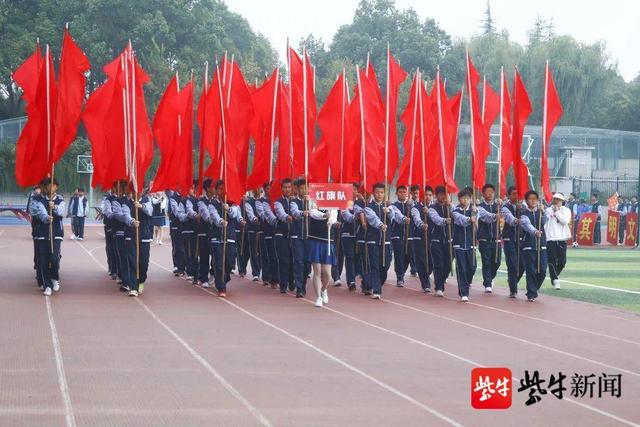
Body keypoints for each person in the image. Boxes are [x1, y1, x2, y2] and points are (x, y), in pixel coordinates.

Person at [451, 188, 494, 302]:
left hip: (471, 243)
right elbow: (461, 220)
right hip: (459, 244)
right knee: (461, 268)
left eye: (468, 198)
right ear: (459, 199)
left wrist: (476, 213)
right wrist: (470, 218)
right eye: (463, 198)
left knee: (472, 267)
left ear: (471, 199)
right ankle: (463, 293)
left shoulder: (475, 210)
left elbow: (482, 217)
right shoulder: (455, 211)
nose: (465, 200)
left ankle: (467, 282)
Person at [363, 182, 404, 300]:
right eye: (377, 192)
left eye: (381, 192)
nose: (379, 195)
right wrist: (381, 225)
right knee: (375, 265)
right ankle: (377, 290)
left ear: (384, 194)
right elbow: (372, 219)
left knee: (385, 266)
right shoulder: (368, 207)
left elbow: (395, 217)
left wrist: (389, 211)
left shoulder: (388, 206)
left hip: (386, 241)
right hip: (373, 240)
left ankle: (371, 284)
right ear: (373, 193)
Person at [207, 179, 245, 297]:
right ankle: (221, 287)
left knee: (229, 263)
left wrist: (227, 209)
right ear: (216, 190)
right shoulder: (212, 204)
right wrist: (221, 221)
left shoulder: (232, 203)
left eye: (224, 189)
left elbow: (234, 213)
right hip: (217, 237)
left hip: (230, 236)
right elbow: (214, 216)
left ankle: (225, 277)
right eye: (220, 189)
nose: (222, 191)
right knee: (219, 263)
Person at [29, 178, 65, 296]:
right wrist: (46, 218)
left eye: (52, 185)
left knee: (55, 258)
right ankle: (47, 285)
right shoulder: (38, 199)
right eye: (47, 185)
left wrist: (54, 207)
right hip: (42, 234)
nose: (50, 188)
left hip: (56, 234)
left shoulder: (60, 199)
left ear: (56, 187)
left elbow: (61, 211)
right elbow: (38, 211)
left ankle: (55, 277)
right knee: (43, 261)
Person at [121, 186, 153, 297]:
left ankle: (141, 281)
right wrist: (132, 221)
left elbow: (150, 211)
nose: (137, 192)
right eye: (134, 189)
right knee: (132, 262)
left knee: (144, 263)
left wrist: (141, 206)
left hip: (144, 236)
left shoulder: (147, 200)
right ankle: (133, 287)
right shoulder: (126, 203)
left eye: (139, 189)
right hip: (131, 236)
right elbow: (126, 215)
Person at [306, 200, 338, 307]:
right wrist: (324, 215)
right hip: (315, 238)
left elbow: (334, 215)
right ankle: (318, 296)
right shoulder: (313, 199)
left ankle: (324, 289)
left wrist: (331, 220)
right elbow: (313, 213)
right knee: (317, 271)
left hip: (328, 240)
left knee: (327, 273)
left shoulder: (333, 199)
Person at [519, 190, 548, 302]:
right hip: (529, 246)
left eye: (535, 199)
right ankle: (531, 293)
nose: (533, 201)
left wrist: (543, 212)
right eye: (530, 199)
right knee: (530, 270)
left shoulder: (540, 213)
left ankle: (534, 289)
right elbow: (527, 226)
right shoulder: (524, 214)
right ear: (526, 201)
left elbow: (545, 221)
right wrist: (535, 232)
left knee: (543, 269)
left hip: (542, 245)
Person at [427, 186, 453, 297]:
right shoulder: (432, 208)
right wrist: (445, 220)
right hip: (436, 239)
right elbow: (436, 220)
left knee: (447, 265)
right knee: (438, 264)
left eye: (445, 194)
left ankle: (441, 282)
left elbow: (457, 216)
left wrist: (450, 207)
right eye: (441, 194)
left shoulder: (451, 207)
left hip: (449, 240)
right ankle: (439, 287)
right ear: (436, 195)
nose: (443, 196)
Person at [500, 186, 525, 298]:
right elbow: (510, 220)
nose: (516, 196)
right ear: (509, 195)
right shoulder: (505, 207)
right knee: (512, 264)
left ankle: (512, 281)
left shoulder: (524, 207)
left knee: (522, 265)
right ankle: (513, 290)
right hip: (509, 239)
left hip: (520, 239)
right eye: (514, 193)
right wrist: (517, 216)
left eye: (517, 193)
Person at [544, 192, 571, 290]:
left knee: (562, 262)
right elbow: (546, 220)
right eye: (554, 199)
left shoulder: (566, 210)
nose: (556, 201)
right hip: (550, 238)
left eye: (558, 200)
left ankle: (554, 275)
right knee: (551, 260)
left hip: (562, 238)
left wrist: (557, 212)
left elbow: (565, 221)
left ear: (562, 201)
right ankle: (555, 280)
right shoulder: (548, 210)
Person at [410, 186, 434, 292]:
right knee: (421, 260)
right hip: (419, 237)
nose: (428, 197)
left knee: (431, 261)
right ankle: (425, 284)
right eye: (425, 195)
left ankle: (427, 273)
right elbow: (416, 218)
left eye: (429, 195)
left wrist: (428, 212)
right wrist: (422, 225)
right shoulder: (415, 208)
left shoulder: (434, 208)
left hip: (432, 238)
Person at [477, 184, 501, 293]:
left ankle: (489, 278)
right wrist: (495, 215)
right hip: (484, 238)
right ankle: (487, 283)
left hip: (496, 239)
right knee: (486, 262)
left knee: (496, 262)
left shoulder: (499, 206)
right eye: (488, 191)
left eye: (492, 191)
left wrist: (501, 206)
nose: (490, 193)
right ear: (483, 193)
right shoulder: (480, 207)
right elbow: (486, 217)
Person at [336, 183, 360, 292]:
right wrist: (356, 216)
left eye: (355, 190)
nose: (353, 192)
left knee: (357, 257)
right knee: (349, 257)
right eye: (351, 190)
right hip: (347, 235)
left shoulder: (361, 203)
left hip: (359, 235)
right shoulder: (344, 204)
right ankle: (351, 281)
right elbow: (347, 217)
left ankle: (356, 276)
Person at [290, 179, 311, 297]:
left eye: (306, 188)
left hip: (309, 236)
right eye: (302, 188)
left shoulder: (311, 202)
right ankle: (299, 287)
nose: (304, 190)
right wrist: (303, 213)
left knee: (307, 263)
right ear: (297, 190)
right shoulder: (294, 202)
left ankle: (303, 284)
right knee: (299, 261)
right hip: (297, 236)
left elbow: (316, 213)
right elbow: (295, 213)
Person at [274, 179, 294, 293]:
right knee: (283, 260)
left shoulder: (294, 201)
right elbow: (280, 214)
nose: (287, 189)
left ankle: (292, 282)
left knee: (293, 259)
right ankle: (283, 284)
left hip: (293, 235)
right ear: (282, 188)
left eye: (289, 187)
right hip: (281, 234)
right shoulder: (278, 202)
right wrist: (287, 217)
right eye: (285, 187)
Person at [391, 185, 412, 287]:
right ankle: (400, 277)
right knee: (399, 256)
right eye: (400, 192)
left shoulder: (410, 206)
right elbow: (397, 216)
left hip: (408, 236)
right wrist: (404, 219)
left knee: (408, 256)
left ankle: (401, 272)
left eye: (404, 192)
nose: (403, 194)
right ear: (397, 193)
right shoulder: (393, 206)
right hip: (397, 235)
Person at [196, 179, 216, 287]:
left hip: (214, 233)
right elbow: (206, 215)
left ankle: (213, 273)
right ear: (208, 189)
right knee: (204, 256)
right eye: (213, 186)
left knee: (215, 255)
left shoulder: (216, 200)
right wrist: (216, 220)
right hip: (204, 232)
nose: (215, 189)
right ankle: (203, 277)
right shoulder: (201, 201)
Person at [100, 186, 118, 280]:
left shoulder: (121, 198)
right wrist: (118, 214)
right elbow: (106, 211)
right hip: (110, 225)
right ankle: (112, 267)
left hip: (119, 227)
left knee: (118, 247)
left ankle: (119, 269)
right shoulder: (107, 199)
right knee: (111, 247)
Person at [244, 189, 262, 282]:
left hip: (262, 230)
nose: (258, 190)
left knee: (262, 252)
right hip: (252, 229)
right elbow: (250, 215)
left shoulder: (263, 200)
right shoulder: (249, 202)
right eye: (256, 188)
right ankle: (255, 273)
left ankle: (262, 270)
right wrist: (255, 219)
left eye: (259, 188)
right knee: (254, 252)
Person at [168, 189, 186, 276]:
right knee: (178, 246)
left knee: (185, 246)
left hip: (185, 226)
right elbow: (176, 212)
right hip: (176, 225)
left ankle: (185, 266)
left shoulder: (186, 196)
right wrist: (186, 216)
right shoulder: (173, 198)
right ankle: (179, 267)